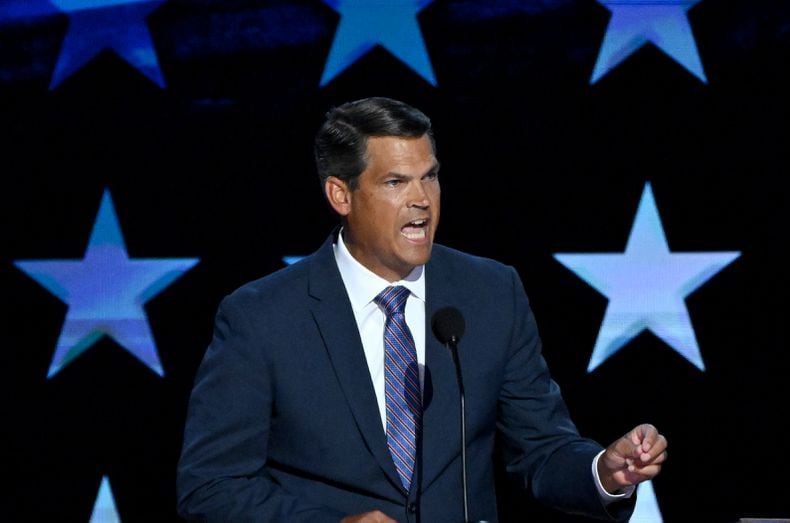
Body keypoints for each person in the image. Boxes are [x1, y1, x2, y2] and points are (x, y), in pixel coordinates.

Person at [176, 97, 667, 522]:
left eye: (429, 177)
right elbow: (211, 487)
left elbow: (540, 448)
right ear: (340, 194)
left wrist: (603, 471)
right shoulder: (262, 317)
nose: (422, 201)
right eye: (395, 182)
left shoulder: (490, 292)